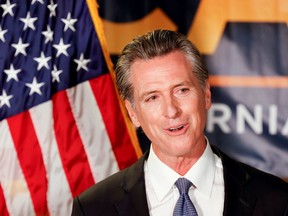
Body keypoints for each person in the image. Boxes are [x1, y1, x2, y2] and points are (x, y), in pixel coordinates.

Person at [71, 29, 288, 216]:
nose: (171, 110)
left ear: (206, 94)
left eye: (181, 90)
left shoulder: (276, 200)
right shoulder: (94, 208)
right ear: (133, 112)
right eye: (152, 97)